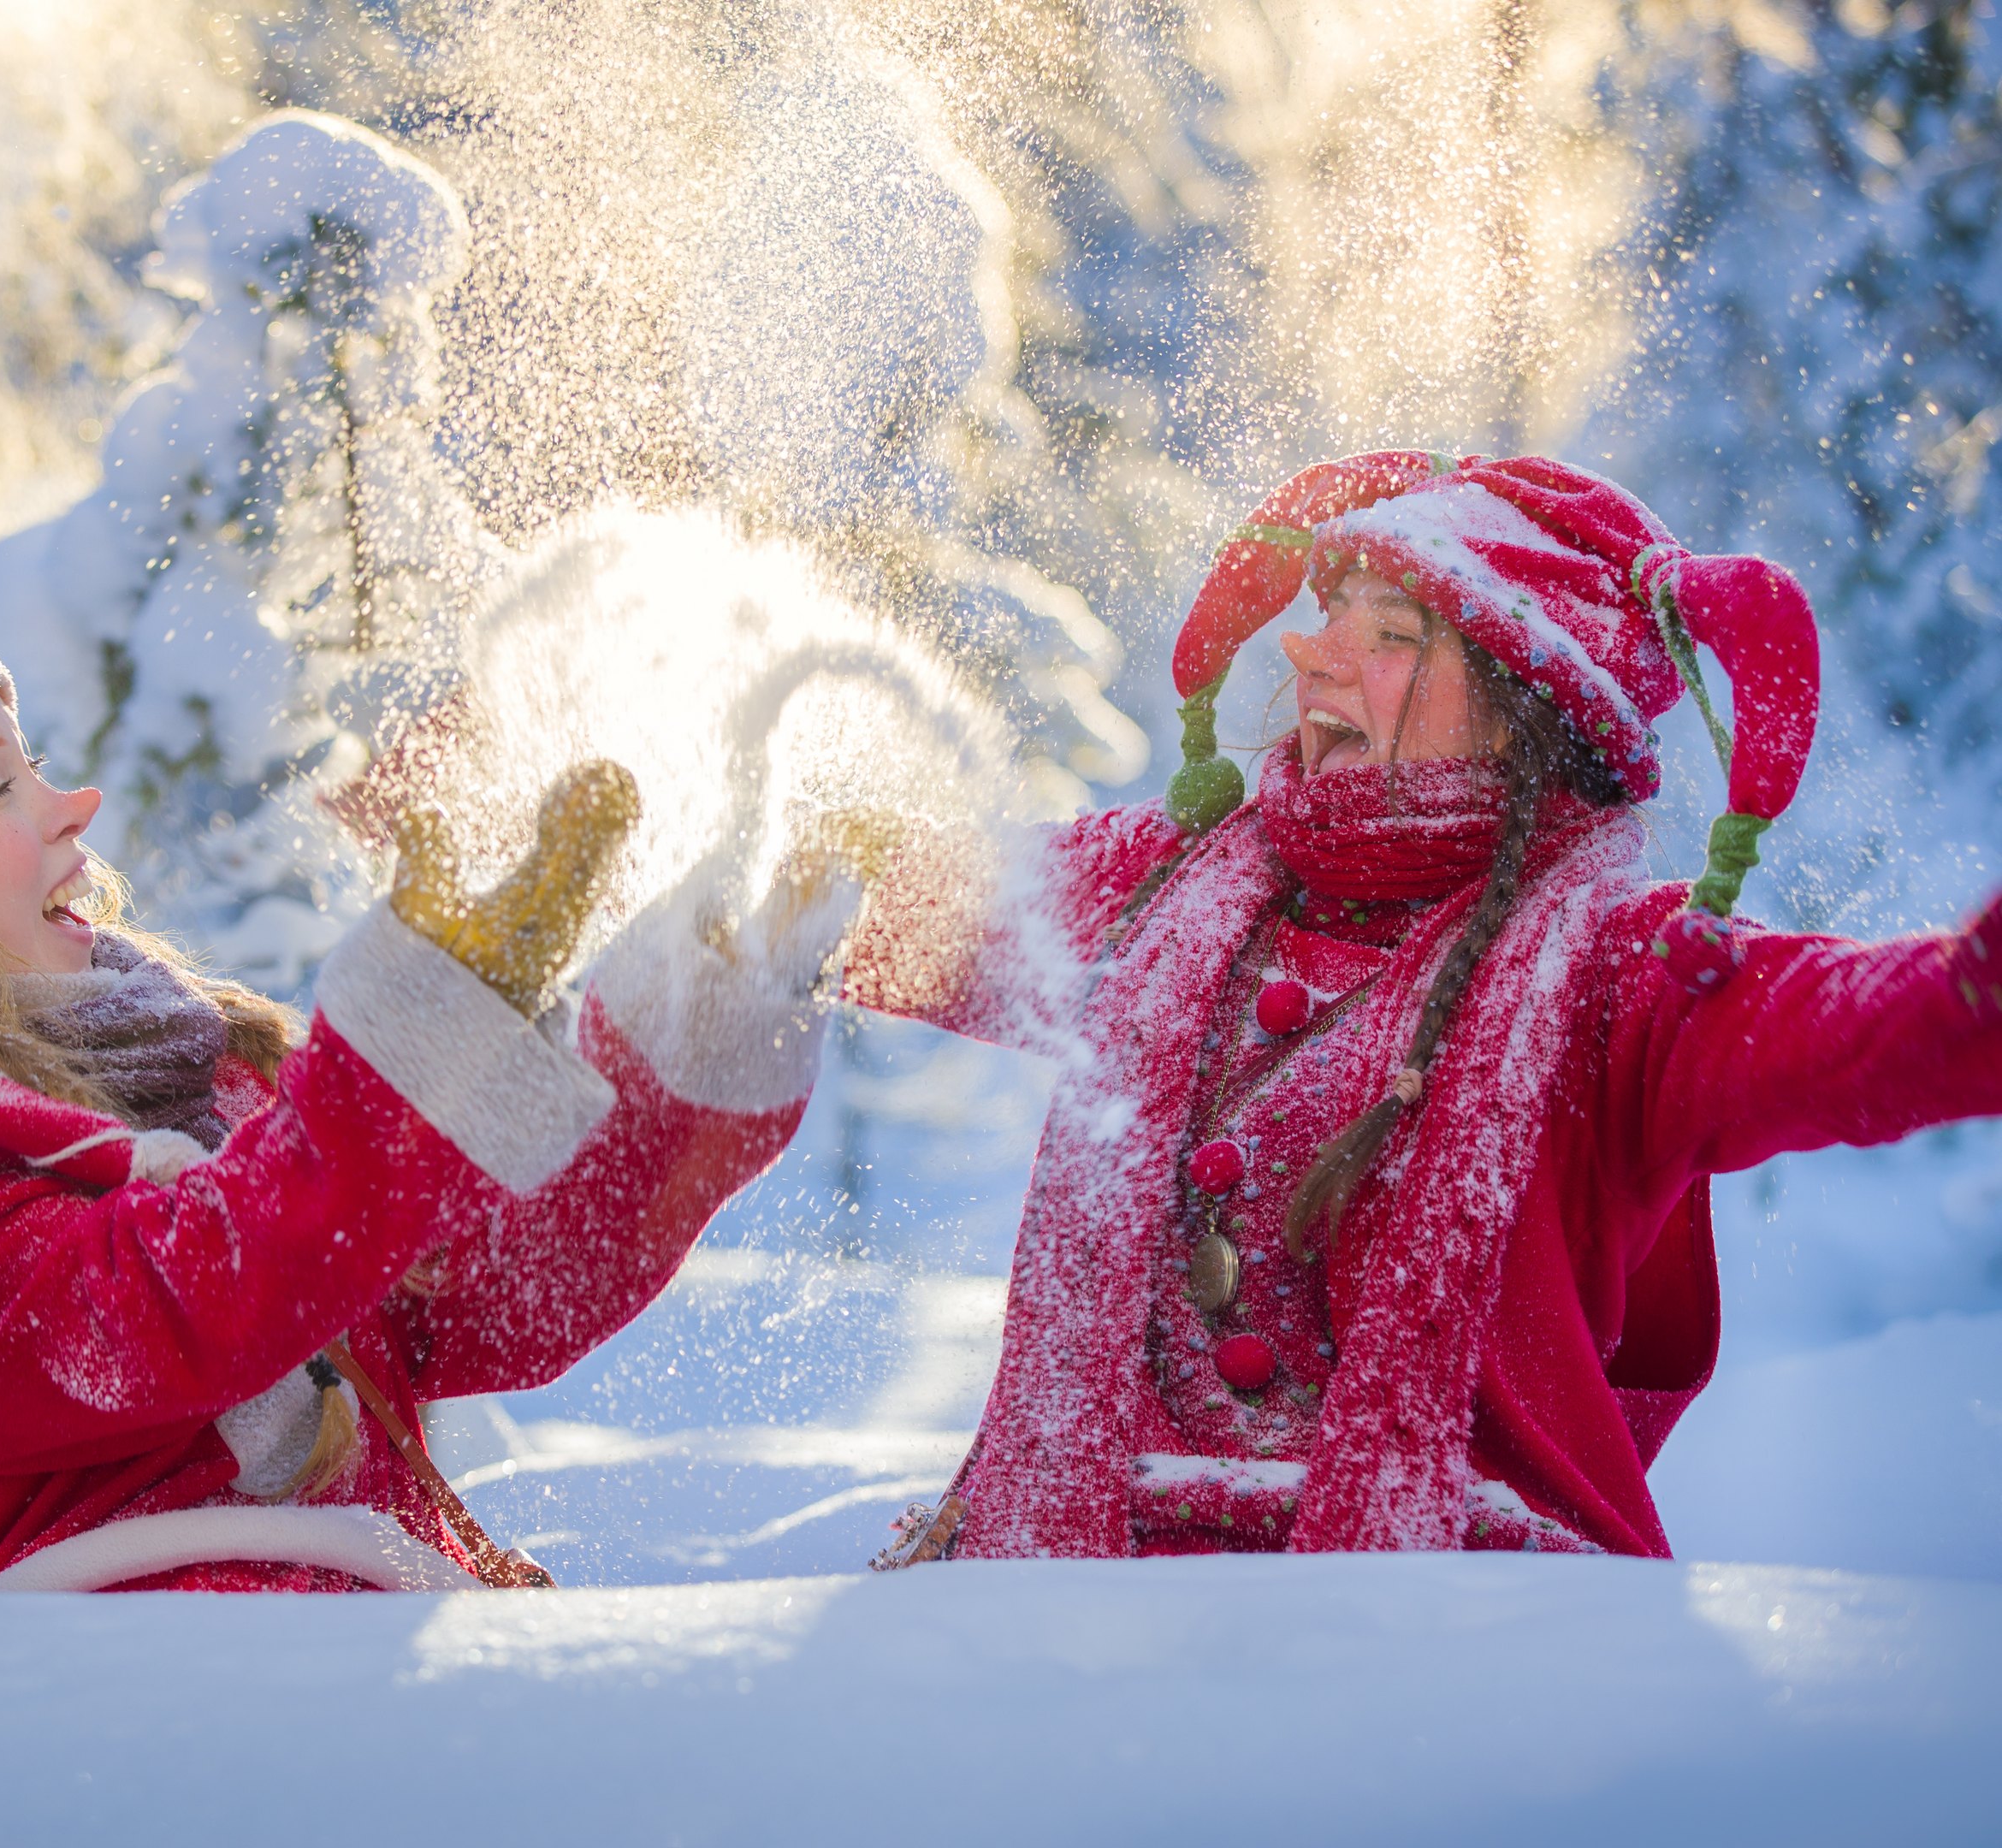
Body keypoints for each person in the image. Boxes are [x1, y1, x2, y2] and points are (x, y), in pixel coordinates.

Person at [857, 451, 2002, 1563]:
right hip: (1066, 1625)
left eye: (1394, 635)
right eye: (1330, 611)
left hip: (1453, 1646)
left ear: (1526, 715)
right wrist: (781, 860)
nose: (1309, 650)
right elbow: (862, 912)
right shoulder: (1168, 884)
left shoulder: (1622, 975)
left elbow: (1922, 1022)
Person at [0, 631, 853, 1592]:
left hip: (344, 1724)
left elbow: (485, 1297)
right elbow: (172, 1308)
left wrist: (710, 1019)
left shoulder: (209, 1093)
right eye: (0, 791)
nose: (72, 803)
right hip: (121, 1769)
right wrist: (404, 1047)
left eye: (40, 767)